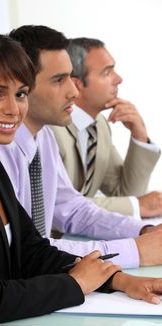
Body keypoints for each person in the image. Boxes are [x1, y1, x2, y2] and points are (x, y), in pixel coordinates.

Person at [0, 25, 162, 269]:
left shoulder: (43, 138)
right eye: (59, 80)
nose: (74, 91)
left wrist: (143, 230)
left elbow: (73, 209)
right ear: (20, 85)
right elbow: (25, 249)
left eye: (71, 77)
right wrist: (135, 250)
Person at [51, 37, 162, 217]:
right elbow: (58, 204)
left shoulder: (99, 126)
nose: (118, 79)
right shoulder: (50, 128)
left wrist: (139, 136)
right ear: (76, 84)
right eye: (106, 72)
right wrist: (138, 206)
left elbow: (123, 193)